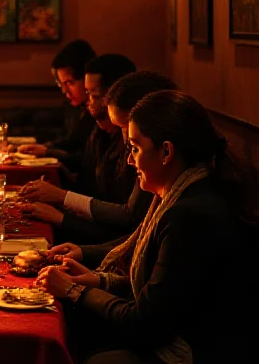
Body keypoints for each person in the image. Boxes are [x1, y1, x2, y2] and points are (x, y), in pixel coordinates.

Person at [37, 90, 259, 364]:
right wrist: (98, 280)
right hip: (192, 341)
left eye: (136, 147)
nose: (130, 160)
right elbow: (165, 289)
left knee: (87, 360)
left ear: (167, 151)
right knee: (75, 328)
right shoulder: (182, 194)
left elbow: (146, 323)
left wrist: (76, 291)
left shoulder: (190, 215)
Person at [20, 71, 176, 244]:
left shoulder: (178, 201)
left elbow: (128, 222)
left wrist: (62, 211)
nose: (125, 139)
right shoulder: (104, 134)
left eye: (93, 94)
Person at [17, 39, 97, 169]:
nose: (65, 91)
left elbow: (86, 160)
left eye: (70, 83)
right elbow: (68, 140)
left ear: (87, 78)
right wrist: (44, 147)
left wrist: (48, 151)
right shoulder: (76, 108)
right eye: (61, 84)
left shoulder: (100, 115)